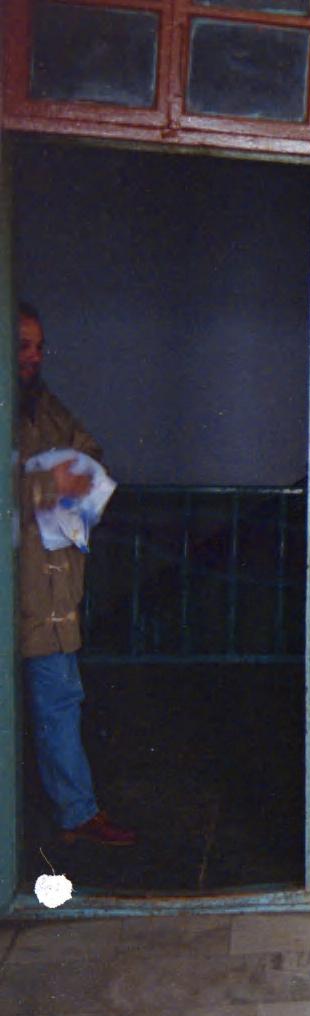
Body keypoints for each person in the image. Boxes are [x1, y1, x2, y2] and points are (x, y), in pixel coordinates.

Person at [12, 302, 136, 846]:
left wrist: (73, 474)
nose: (33, 357)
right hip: (13, 586)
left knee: (59, 701)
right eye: (22, 345)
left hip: (51, 591)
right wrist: (46, 481)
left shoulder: (46, 408)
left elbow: (89, 455)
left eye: (39, 347)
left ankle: (77, 814)